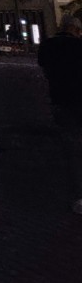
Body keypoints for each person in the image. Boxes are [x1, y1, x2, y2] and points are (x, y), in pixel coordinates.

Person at [37, 15, 82, 214]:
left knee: (71, 147)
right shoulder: (79, 46)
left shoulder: (48, 45)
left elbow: (44, 68)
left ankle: (78, 196)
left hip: (60, 100)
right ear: (75, 29)